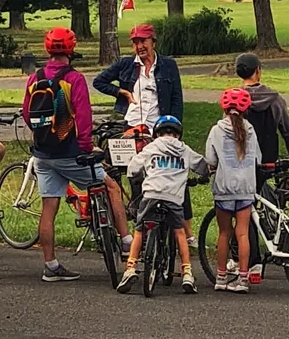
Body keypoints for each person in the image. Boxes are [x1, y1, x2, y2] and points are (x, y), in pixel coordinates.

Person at [23, 27, 131, 282]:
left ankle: (50, 265)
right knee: (111, 186)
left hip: (43, 154)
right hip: (71, 153)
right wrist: (86, 145)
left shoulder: (34, 77)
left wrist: (42, 136)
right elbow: (83, 117)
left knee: (49, 207)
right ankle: (127, 241)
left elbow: (27, 114)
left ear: (47, 49)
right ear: (71, 49)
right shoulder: (73, 79)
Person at [94, 24, 196, 245]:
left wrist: (175, 130)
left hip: (160, 130)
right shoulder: (126, 65)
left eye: (143, 41)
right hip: (131, 128)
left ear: (153, 41)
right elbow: (98, 81)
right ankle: (140, 225)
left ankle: (187, 232)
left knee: (175, 176)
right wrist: (120, 92)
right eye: (135, 42)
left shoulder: (168, 65)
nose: (139, 46)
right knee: (135, 176)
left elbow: (176, 99)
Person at [116, 115, 209, 294]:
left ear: (157, 133)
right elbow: (202, 166)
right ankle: (187, 272)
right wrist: (204, 176)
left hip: (151, 194)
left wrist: (136, 180)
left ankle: (130, 268)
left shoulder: (150, 148)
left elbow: (134, 168)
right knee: (179, 231)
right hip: (173, 198)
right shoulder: (184, 150)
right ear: (178, 134)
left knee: (140, 230)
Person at [235, 52, 289, 281]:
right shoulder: (273, 98)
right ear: (258, 71)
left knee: (244, 209)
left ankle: (252, 262)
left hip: (244, 161)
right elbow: (287, 130)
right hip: (269, 159)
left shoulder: (235, 99)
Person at [206, 88, 261, 293]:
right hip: (246, 188)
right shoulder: (251, 130)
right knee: (243, 233)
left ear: (224, 108)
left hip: (224, 187)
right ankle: (243, 279)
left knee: (224, 233)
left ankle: (221, 276)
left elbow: (211, 160)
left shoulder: (217, 130)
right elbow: (258, 159)